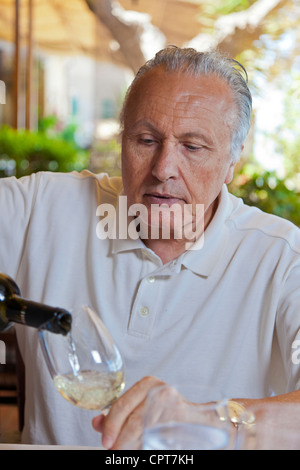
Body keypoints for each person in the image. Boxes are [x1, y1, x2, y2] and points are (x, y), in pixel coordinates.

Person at [0, 46, 299, 449]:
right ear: (122, 142)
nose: (163, 169)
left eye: (192, 147)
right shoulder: (42, 207)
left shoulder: (282, 260)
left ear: (232, 162)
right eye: (146, 139)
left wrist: (209, 422)